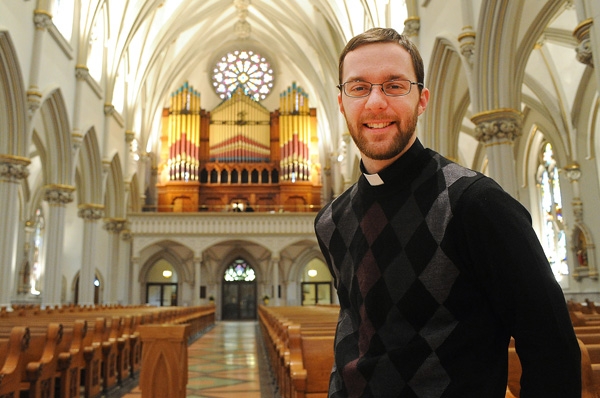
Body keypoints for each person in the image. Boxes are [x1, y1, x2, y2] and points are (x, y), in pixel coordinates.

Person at [314, 27, 581, 397]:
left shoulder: (476, 204)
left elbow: (551, 346)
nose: (375, 102)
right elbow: (353, 336)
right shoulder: (331, 220)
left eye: (394, 85)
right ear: (342, 102)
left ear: (422, 100)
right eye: (359, 87)